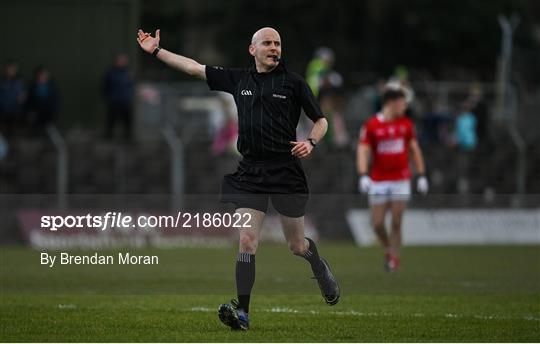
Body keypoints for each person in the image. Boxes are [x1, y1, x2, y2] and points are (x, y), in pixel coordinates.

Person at [136, 27, 340, 331]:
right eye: (267, 43)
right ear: (252, 50)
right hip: (251, 172)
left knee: (297, 246)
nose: (274, 48)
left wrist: (310, 142)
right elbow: (193, 67)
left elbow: (321, 121)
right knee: (247, 241)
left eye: (277, 44)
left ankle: (318, 265)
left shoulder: (294, 83)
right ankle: (242, 313)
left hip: (286, 172)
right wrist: (155, 51)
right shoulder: (238, 79)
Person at [357, 86, 428, 272]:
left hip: (401, 179)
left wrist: (421, 175)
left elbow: (414, 150)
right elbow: (363, 150)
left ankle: (393, 258)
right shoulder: (372, 125)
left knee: (397, 221)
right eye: (402, 103)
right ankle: (389, 249)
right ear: (390, 103)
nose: (404, 106)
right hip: (379, 180)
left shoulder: (406, 124)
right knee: (378, 223)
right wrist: (363, 174)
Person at [102, 53, 133, 139]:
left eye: (123, 60)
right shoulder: (111, 73)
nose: (122, 62)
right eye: (120, 60)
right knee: (111, 120)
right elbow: (105, 86)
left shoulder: (128, 72)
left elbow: (130, 86)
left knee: (127, 121)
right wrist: (109, 97)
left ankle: (127, 137)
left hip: (125, 101)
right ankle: (108, 136)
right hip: (114, 101)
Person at [26, 66, 59, 134]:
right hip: (35, 114)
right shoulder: (31, 87)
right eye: (40, 75)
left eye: (44, 75)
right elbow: (28, 102)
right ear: (36, 76)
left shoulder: (52, 87)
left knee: (50, 129)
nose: (42, 77)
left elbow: (55, 103)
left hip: (48, 114)